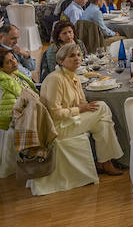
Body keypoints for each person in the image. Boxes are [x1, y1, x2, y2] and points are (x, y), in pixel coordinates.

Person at [39, 43, 125, 175]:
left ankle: (105, 163)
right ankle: (106, 161)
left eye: (79, 55)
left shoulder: (74, 77)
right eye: (72, 56)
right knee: (102, 107)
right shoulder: (55, 79)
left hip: (70, 120)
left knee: (102, 122)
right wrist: (78, 110)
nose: (77, 58)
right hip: (57, 128)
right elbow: (54, 113)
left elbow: (83, 102)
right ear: (60, 61)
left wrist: (82, 108)